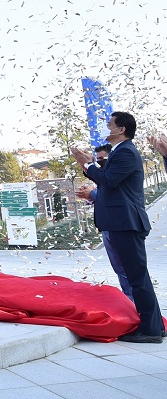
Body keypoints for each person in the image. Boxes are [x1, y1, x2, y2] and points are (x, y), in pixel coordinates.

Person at [72, 112, 165, 343]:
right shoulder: (119, 152)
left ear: (121, 129)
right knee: (137, 277)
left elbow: (109, 180)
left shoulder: (126, 152)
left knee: (137, 278)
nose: (106, 128)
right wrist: (89, 167)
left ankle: (150, 330)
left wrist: (87, 163)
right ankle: (154, 326)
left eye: (109, 125)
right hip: (120, 223)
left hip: (126, 223)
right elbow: (108, 180)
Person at [76, 143, 133, 301]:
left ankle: (135, 304)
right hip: (107, 227)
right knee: (119, 269)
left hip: (121, 226)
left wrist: (93, 194)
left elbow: (119, 196)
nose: (100, 163)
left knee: (128, 270)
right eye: (97, 159)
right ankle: (129, 301)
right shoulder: (103, 176)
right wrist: (90, 196)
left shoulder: (119, 172)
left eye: (102, 159)